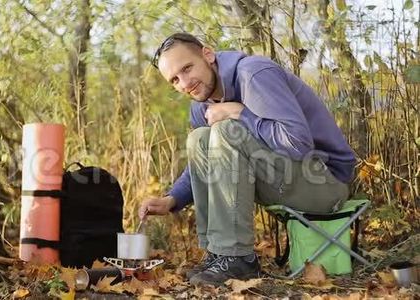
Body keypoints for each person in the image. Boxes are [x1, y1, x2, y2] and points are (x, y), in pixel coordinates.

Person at [138, 32, 356, 286]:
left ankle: (237, 257)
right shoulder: (201, 105)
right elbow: (208, 159)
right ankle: (219, 254)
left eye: (187, 68)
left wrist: (240, 113)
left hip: (326, 183)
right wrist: (171, 199)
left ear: (207, 55)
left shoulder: (253, 74)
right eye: (174, 80)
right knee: (199, 139)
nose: (185, 83)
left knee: (226, 130)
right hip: (286, 180)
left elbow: (297, 143)